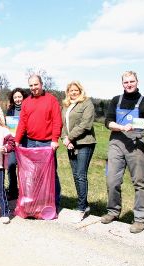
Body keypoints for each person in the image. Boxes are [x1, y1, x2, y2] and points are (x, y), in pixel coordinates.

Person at [101, 71, 144, 234]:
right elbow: (107, 121)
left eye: (132, 81)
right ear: (122, 84)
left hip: (136, 144)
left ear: (137, 82)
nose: (129, 84)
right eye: (126, 82)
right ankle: (113, 211)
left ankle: (140, 218)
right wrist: (121, 127)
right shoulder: (116, 100)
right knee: (112, 180)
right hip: (116, 142)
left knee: (139, 181)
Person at [14, 75, 63, 211]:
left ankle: (54, 203)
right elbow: (22, 123)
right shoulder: (26, 102)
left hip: (47, 144)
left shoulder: (51, 100)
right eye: (31, 86)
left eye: (36, 85)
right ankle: (37, 202)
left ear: (41, 84)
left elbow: (57, 121)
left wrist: (54, 139)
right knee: (33, 175)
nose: (34, 88)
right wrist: (17, 140)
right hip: (30, 143)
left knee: (51, 174)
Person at [61, 81, 96, 222]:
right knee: (75, 175)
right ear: (67, 92)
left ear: (81, 90)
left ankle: (81, 208)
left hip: (84, 143)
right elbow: (63, 124)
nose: (74, 92)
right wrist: (65, 138)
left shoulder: (87, 103)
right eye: (71, 90)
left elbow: (86, 124)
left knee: (81, 175)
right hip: (70, 144)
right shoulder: (66, 105)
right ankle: (85, 204)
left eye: (76, 90)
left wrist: (69, 137)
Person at [6, 88, 28, 200]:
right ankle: (13, 190)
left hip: (25, 142)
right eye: (15, 97)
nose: (17, 99)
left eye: (19, 97)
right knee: (10, 166)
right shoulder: (10, 110)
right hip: (13, 143)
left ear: (23, 97)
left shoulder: (28, 108)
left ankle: (25, 192)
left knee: (24, 168)